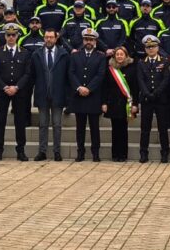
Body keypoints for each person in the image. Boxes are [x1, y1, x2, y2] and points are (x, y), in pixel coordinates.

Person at [0, 23, 32, 161]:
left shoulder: (25, 52)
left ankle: (20, 150)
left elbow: (27, 73)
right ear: (5, 36)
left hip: (19, 92)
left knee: (20, 121)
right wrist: (4, 87)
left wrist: (17, 87)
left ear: (17, 36)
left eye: (13, 35)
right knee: (0, 121)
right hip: (3, 91)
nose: (10, 37)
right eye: (8, 35)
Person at [70, 28, 107, 161]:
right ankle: (80, 152)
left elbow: (100, 75)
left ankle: (95, 153)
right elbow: (71, 73)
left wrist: (89, 89)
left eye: (91, 39)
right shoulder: (75, 55)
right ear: (83, 40)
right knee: (80, 128)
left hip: (93, 97)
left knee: (94, 128)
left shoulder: (101, 56)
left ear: (95, 41)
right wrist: (79, 87)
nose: (88, 42)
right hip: (79, 96)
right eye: (86, 39)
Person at [31, 28, 68, 162]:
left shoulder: (63, 54)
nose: (48, 39)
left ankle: (57, 151)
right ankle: (42, 151)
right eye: (46, 37)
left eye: (51, 37)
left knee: (57, 124)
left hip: (58, 95)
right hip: (42, 95)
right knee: (43, 124)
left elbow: (67, 76)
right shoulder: (37, 54)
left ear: (56, 38)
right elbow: (32, 75)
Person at [136, 35, 170, 162]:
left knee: (163, 128)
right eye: (148, 47)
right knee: (145, 128)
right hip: (146, 99)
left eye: (153, 46)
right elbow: (140, 80)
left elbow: (166, 79)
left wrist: (156, 93)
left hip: (160, 99)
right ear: (145, 49)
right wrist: (147, 93)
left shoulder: (164, 61)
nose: (151, 49)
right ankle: (143, 153)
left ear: (158, 47)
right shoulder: (141, 62)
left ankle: (165, 153)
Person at [102, 46, 138, 162]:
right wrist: (104, 102)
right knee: (115, 129)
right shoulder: (110, 69)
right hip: (112, 103)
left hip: (125, 103)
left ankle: (123, 154)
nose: (119, 56)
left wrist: (135, 104)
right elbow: (105, 87)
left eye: (121, 54)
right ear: (114, 56)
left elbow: (135, 88)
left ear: (126, 56)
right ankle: (115, 154)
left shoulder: (131, 68)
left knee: (123, 130)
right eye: (117, 54)